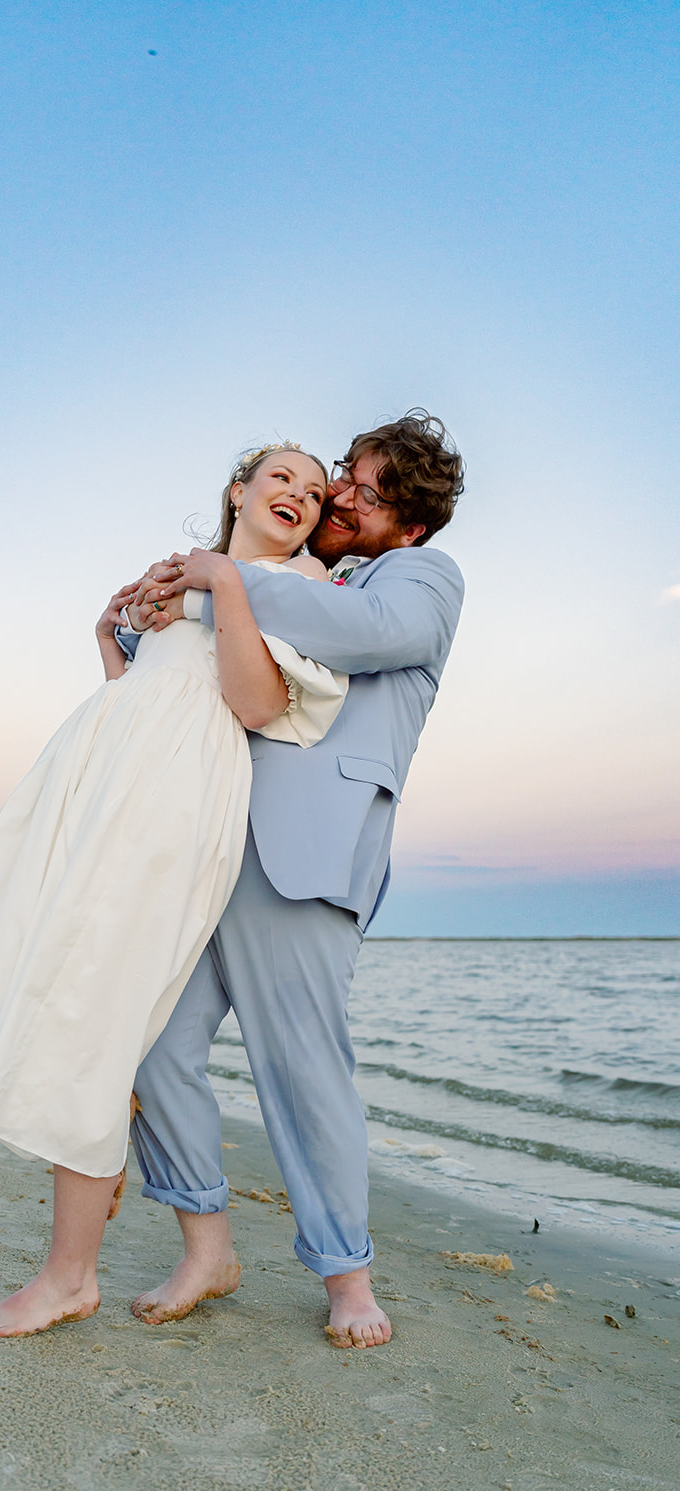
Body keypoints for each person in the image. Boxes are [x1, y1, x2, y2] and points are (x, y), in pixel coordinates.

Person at [0, 446, 349, 1336]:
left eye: (314, 494)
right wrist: (109, 647)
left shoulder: (297, 586)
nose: (298, 498)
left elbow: (253, 705)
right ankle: (106, 1249)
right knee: (46, 974)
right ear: (237, 490)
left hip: (175, 795)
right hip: (101, 770)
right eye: (281, 479)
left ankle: (69, 1277)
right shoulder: (183, 578)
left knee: (93, 1007)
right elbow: (151, 689)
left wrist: (226, 588)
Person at [121, 410, 465, 1350]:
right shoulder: (292, 573)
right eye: (346, 478)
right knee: (148, 1047)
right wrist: (139, 617)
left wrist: (215, 585)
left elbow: (360, 632)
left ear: (414, 524)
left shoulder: (417, 580)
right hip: (208, 843)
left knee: (301, 1070)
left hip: (304, 860)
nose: (344, 497)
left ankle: (345, 1278)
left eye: (370, 490)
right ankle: (205, 1248)